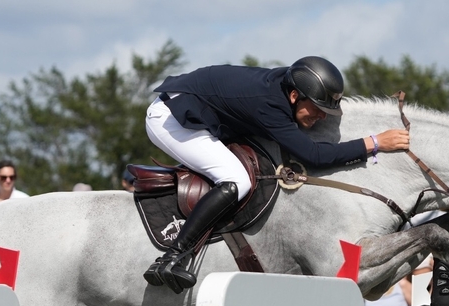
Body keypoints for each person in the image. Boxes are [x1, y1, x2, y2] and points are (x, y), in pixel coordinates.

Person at [143, 56, 410, 293]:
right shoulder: (269, 106)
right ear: (294, 96)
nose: (321, 117)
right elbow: (314, 156)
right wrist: (374, 143)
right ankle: (173, 257)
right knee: (238, 180)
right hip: (172, 120)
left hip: (198, 107)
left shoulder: (291, 84)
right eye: (317, 108)